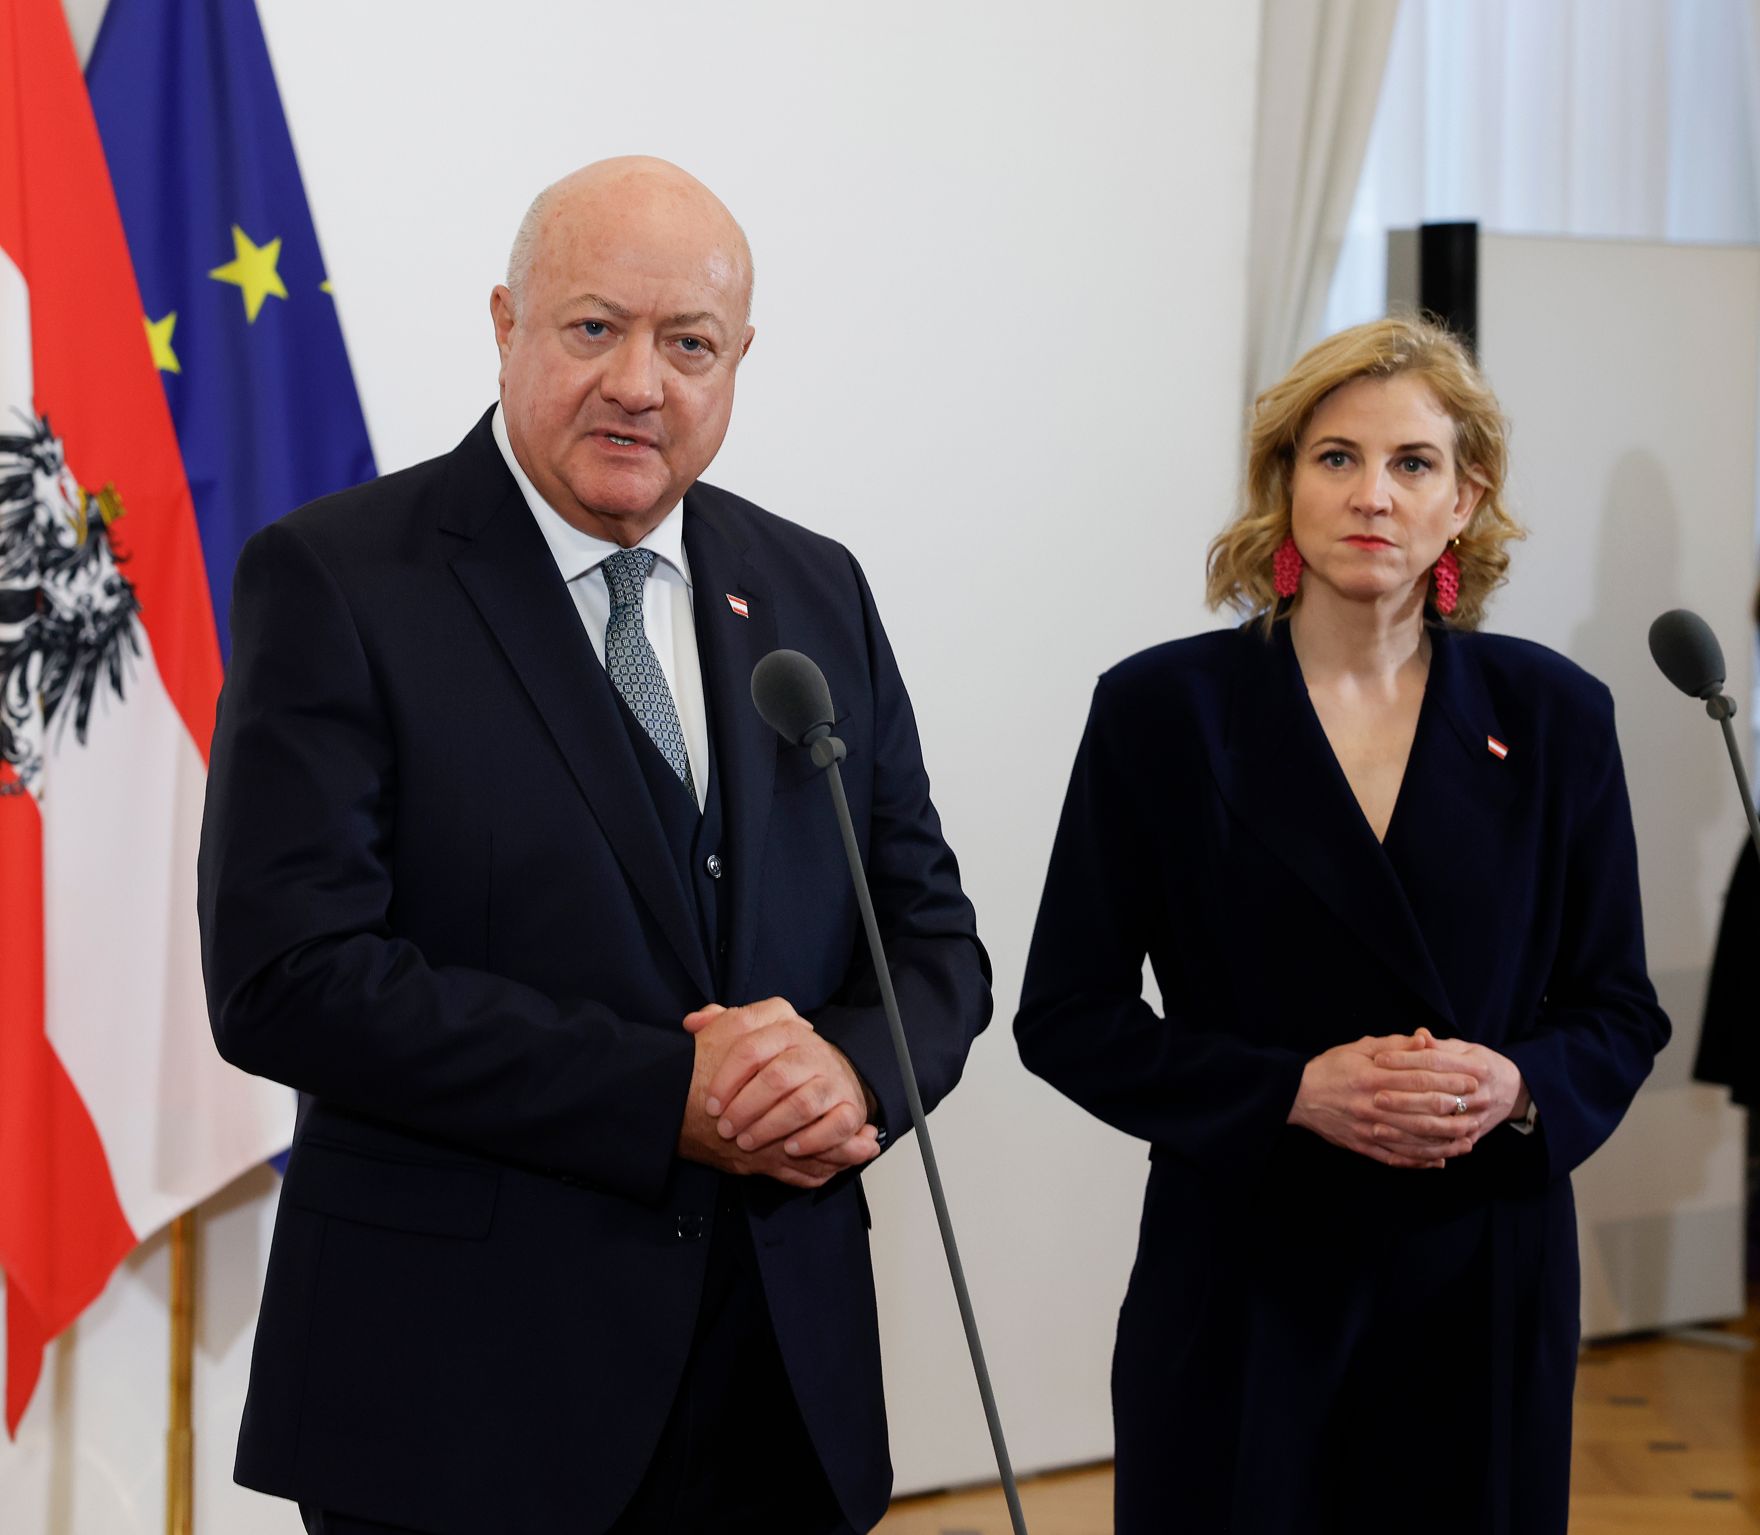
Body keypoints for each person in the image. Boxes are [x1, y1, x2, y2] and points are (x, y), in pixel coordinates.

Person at [198, 157, 991, 1535]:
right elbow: (290, 972)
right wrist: (658, 1088)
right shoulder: (338, 576)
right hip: (465, 1394)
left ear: (738, 360)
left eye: (688, 344)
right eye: (592, 327)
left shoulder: (814, 586)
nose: (640, 381)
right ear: (505, 322)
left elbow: (928, 939)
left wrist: (848, 1064)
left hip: (777, 1376)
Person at [1014, 315, 1669, 1534]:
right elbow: (1066, 1015)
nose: (1372, 493)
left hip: (1478, 1274)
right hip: (1246, 1272)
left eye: (1412, 463)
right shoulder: (1161, 711)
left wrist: (1515, 1080)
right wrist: (1288, 1091)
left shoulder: (1556, 714)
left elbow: (1616, 1006)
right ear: (1282, 483)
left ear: (1464, 499)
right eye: (1335, 457)